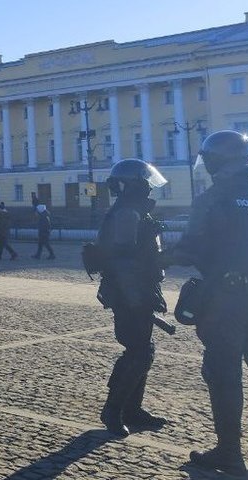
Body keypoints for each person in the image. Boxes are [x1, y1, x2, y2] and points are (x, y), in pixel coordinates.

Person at [167, 130, 248, 475]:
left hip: (227, 301)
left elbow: (191, 248)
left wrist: (159, 258)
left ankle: (229, 453)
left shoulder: (214, 197)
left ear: (214, 161)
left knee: (223, 375)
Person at [95, 159, 168, 437]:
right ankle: (113, 410)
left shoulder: (133, 210)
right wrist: (137, 297)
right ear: (137, 184)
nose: (150, 188)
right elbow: (123, 259)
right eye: (146, 183)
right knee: (138, 353)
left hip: (139, 289)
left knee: (143, 351)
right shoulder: (127, 213)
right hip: (130, 292)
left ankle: (132, 409)